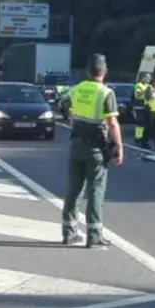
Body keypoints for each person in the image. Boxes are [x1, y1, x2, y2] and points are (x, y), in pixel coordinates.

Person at [61, 54, 123, 249]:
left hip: (76, 144)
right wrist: (119, 146)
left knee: (74, 189)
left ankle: (69, 233)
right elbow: (112, 123)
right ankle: (94, 235)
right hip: (96, 146)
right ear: (104, 71)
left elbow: (63, 104)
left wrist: (73, 119)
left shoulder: (76, 89)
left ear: (88, 71)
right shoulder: (106, 93)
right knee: (96, 190)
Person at [132, 72, 151, 146]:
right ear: (143, 78)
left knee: (145, 123)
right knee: (140, 123)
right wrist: (146, 92)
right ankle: (138, 137)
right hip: (139, 106)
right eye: (147, 77)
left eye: (149, 78)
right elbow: (138, 95)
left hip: (147, 106)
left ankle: (142, 137)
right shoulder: (139, 85)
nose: (149, 79)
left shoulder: (148, 86)